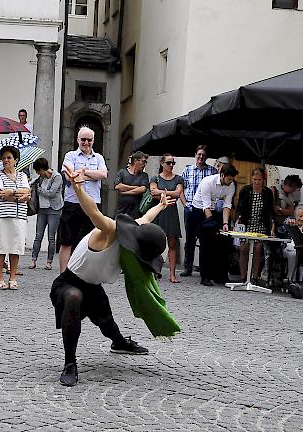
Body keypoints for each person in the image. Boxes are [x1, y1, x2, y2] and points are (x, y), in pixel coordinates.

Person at [52, 163, 180, 387]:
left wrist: (160, 206)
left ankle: (119, 343)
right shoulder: (111, 230)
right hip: (68, 283)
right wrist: (79, 188)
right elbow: (93, 212)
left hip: (93, 288)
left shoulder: (138, 230)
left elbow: (147, 218)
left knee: (108, 325)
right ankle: (70, 363)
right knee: (74, 298)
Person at [59, 126, 108, 272]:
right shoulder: (70, 156)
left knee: (91, 240)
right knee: (67, 241)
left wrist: (83, 172)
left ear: (93, 141)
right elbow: (69, 176)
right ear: (77, 140)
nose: (86, 142)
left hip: (92, 205)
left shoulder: (99, 157)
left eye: (89, 140)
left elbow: (104, 175)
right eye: (83, 139)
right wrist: (91, 175)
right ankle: (63, 274)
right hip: (72, 203)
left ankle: (87, 273)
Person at [191, 163, 238, 286]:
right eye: (228, 179)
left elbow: (227, 205)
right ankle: (205, 276)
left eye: (232, 179)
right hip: (200, 209)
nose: (230, 181)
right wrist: (212, 225)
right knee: (207, 241)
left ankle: (220, 275)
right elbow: (206, 207)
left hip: (216, 210)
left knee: (224, 241)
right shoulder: (208, 183)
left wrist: (225, 224)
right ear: (222, 175)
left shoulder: (231, 185)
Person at [0, 145, 30, 290]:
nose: (6, 160)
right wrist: (19, 194)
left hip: (19, 215)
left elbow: (27, 192)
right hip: (3, 215)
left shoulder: (22, 176)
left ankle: (13, 277)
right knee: (1, 246)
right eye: (3, 158)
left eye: (9, 158)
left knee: (16, 246)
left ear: (16, 160)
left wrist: (11, 192)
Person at [180, 145, 217, 277]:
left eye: (203, 155)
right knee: (190, 239)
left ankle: (204, 268)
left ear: (206, 157)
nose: (201, 157)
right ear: (195, 154)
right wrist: (185, 205)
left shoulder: (212, 171)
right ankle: (187, 267)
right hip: (190, 209)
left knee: (205, 240)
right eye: (199, 154)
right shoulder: (187, 170)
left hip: (205, 210)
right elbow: (181, 190)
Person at [149, 154, 185, 283]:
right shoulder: (155, 178)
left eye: (173, 163)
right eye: (169, 163)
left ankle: (172, 274)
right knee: (154, 243)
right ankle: (153, 271)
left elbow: (177, 193)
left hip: (171, 212)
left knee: (172, 243)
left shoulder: (179, 178)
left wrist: (161, 192)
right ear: (162, 163)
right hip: (158, 210)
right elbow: (153, 193)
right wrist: (166, 193)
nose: (171, 165)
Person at [236, 168, 275, 282]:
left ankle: (254, 277)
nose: (257, 182)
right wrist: (238, 220)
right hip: (247, 223)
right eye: (254, 179)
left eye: (259, 180)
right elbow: (240, 207)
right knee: (244, 248)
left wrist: (272, 226)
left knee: (258, 249)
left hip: (261, 224)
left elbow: (269, 211)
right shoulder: (246, 190)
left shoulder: (267, 192)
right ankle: (243, 277)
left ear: (263, 180)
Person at [29, 157, 63, 270]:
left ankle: (49, 262)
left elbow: (52, 193)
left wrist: (39, 190)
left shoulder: (57, 177)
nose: (38, 173)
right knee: (38, 236)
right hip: (42, 210)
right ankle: (33, 260)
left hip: (54, 209)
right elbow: (31, 184)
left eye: (38, 171)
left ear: (43, 169)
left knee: (51, 237)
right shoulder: (40, 178)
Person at [114, 151, 149, 219]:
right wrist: (136, 187)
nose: (145, 164)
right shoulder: (122, 172)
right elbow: (118, 186)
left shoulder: (144, 175)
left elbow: (142, 189)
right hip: (122, 208)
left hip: (136, 209)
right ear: (136, 161)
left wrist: (125, 192)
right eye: (143, 161)